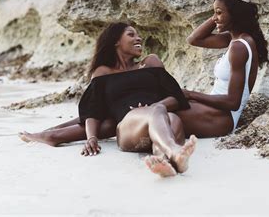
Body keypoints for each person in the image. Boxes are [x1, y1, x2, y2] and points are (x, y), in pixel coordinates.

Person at [19, 22, 197, 177]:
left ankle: (167, 162)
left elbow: (176, 97)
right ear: (116, 41)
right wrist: (91, 137)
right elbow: (92, 111)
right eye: (131, 34)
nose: (139, 38)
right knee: (159, 112)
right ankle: (174, 151)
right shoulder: (103, 72)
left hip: (159, 121)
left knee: (172, 118)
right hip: (129, 128)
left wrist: (155, 106)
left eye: (138, 35)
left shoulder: (150, 63)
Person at [176, 0, 269, 137]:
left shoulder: (239, 46)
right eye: (215, 13)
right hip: (214, 109)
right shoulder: (232, 38)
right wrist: (216, 17)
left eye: (219, 13)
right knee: (166, 103)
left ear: (235, 14)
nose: (215, 17)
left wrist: (191, 94)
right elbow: (193, 40)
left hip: (223, 118)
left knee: (165, 112)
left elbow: (233, 102)